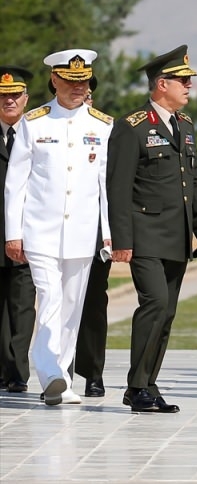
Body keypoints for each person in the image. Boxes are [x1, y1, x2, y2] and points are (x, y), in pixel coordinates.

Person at [107, 45, 197, 413]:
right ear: (161, 84)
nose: (189, 87)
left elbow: (195, 181)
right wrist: (121, 240)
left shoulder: (184, 126)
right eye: (182, 81)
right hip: (145, 234)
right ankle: (136, 386)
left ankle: (148, 383)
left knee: (167, 313)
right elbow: (117, 188)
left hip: (177, 235)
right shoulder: (132, 126)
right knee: (154, 303)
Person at [5, 50, 112, 406]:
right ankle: (49, 372)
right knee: (50, 297)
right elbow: (15, 183)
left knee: (72, 306)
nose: (78, 88)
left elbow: (104, 188)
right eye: (70, 81)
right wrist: (12, 232)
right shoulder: (33, 123)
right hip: (40, 231)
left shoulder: (102, 125)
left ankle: (62, 377)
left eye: (83, 82)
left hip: (82, 232)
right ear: (55, 80)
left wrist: (109, 234)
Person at [74, 85, 112, 398]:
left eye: (88, 95)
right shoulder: (47, 127)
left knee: (94, 304)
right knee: (59, 303)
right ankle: (59, 370)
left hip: (96, 232)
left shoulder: (106, 128)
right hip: (57, 231)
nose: (85, 100)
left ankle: (92, 373)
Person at [0, 66, 35, 394]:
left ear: (25, 99)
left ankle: (17, 372)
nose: (8, 100)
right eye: (2, 96)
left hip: (28, 235)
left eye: (14, 95)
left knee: (23, 307)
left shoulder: (36, 133)